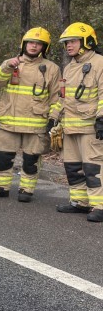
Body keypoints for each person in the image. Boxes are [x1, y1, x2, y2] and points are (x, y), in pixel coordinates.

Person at [0, 27, 61, 202]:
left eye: (38, 44)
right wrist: (6, 66)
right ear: (24, 44)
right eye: (31, 43)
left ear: (44, 48)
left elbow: (57, 97)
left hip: (35, 123)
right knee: (3, 158)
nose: (33, 46)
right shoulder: (12, 63)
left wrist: (53, 118)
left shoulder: (51, 69)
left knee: (30, 161)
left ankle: (26, 191)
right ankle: (0, 188)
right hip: (8, 121)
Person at [54, 22, 103, 221]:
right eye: (66, 43)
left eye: (73, 41)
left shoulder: (100, 63)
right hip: (70, 126)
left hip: (90, 127)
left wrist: (102, 118)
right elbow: (62, 98)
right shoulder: (68, 68)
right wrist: (53, 118)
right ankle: (80, 202)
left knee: (93, 168)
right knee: (73, 167)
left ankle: (99, 206)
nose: (68, 46)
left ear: (87, 42)